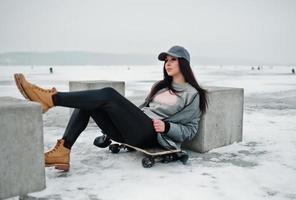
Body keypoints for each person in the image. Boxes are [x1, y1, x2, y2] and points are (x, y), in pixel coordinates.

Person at [14, 46, 208, 171]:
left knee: (108, 93)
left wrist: (167, 128)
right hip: (132, 128)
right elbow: (143, 110)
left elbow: (190, 131)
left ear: (184, 63)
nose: (168, 64)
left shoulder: (192, 94)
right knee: (89, 103)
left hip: (149, 133)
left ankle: (51, 99)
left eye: (173, 59)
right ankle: (63, 151)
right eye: (166, 60)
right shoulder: (161, 86)